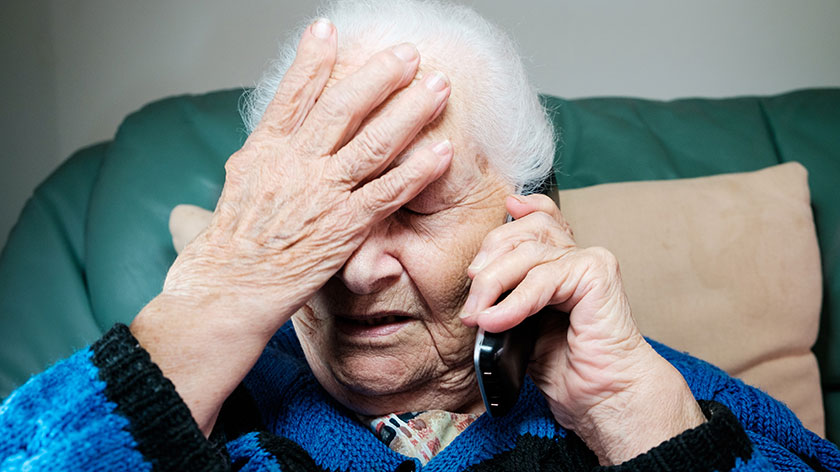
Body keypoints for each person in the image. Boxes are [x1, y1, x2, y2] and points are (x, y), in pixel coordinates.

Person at [1, 1, 838, 470]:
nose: (359, 269)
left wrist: (639, 423)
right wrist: (212, 300)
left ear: (526, 215)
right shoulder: (195, 403)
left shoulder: (657, 394)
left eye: (413, 209)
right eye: (321, 216)